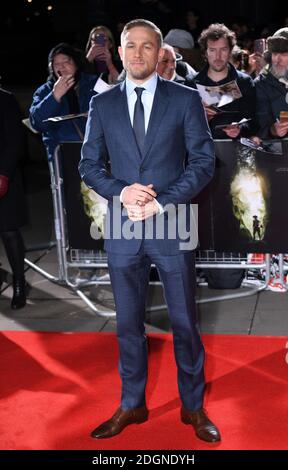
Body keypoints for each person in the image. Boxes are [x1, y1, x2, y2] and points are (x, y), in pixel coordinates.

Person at [79, 19, 220, 443]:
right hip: (123, 228)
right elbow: (87, 165)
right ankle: (132, 404)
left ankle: (192, 407)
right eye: (130, 46)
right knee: (126, 325)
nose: (138, 54)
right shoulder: (101, 105)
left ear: (159, 52)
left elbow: (203, 163)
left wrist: (161, 200)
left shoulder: (184, 99)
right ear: (119, 52)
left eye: (146, 46)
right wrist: (122, 193)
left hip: (172, 223)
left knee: (184, 323)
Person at [29, 43, 98, 161]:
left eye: (66, 61)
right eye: (56, 64)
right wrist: (55, 95)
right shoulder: (45, 91)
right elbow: (37, 122)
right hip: (62, 156)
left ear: (76, 63)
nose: (61, 66)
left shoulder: (94, 83)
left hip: (95, 152)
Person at [194, 23, 257, 140]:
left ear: (230, 51)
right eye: (212, 50)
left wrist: (240, 129)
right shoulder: (191, 83)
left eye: (223, 49)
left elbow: (254, 123)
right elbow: (180, 126)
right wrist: (199, 118)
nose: (218, 56)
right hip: (201, 152)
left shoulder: (244, 82)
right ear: (205, 53)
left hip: (234, 151)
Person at [0, 88, 27, 309]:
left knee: (9, 231)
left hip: (3, 175)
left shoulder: (5, 99)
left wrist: (4, 174)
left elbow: (15, 140)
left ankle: (19, 281)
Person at [254, 27, 288, 139]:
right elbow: (257, 126)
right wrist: (273, 130)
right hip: (278, 151)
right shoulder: (260, 84)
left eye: (283, 54)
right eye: (274, 53)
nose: (277, 60)